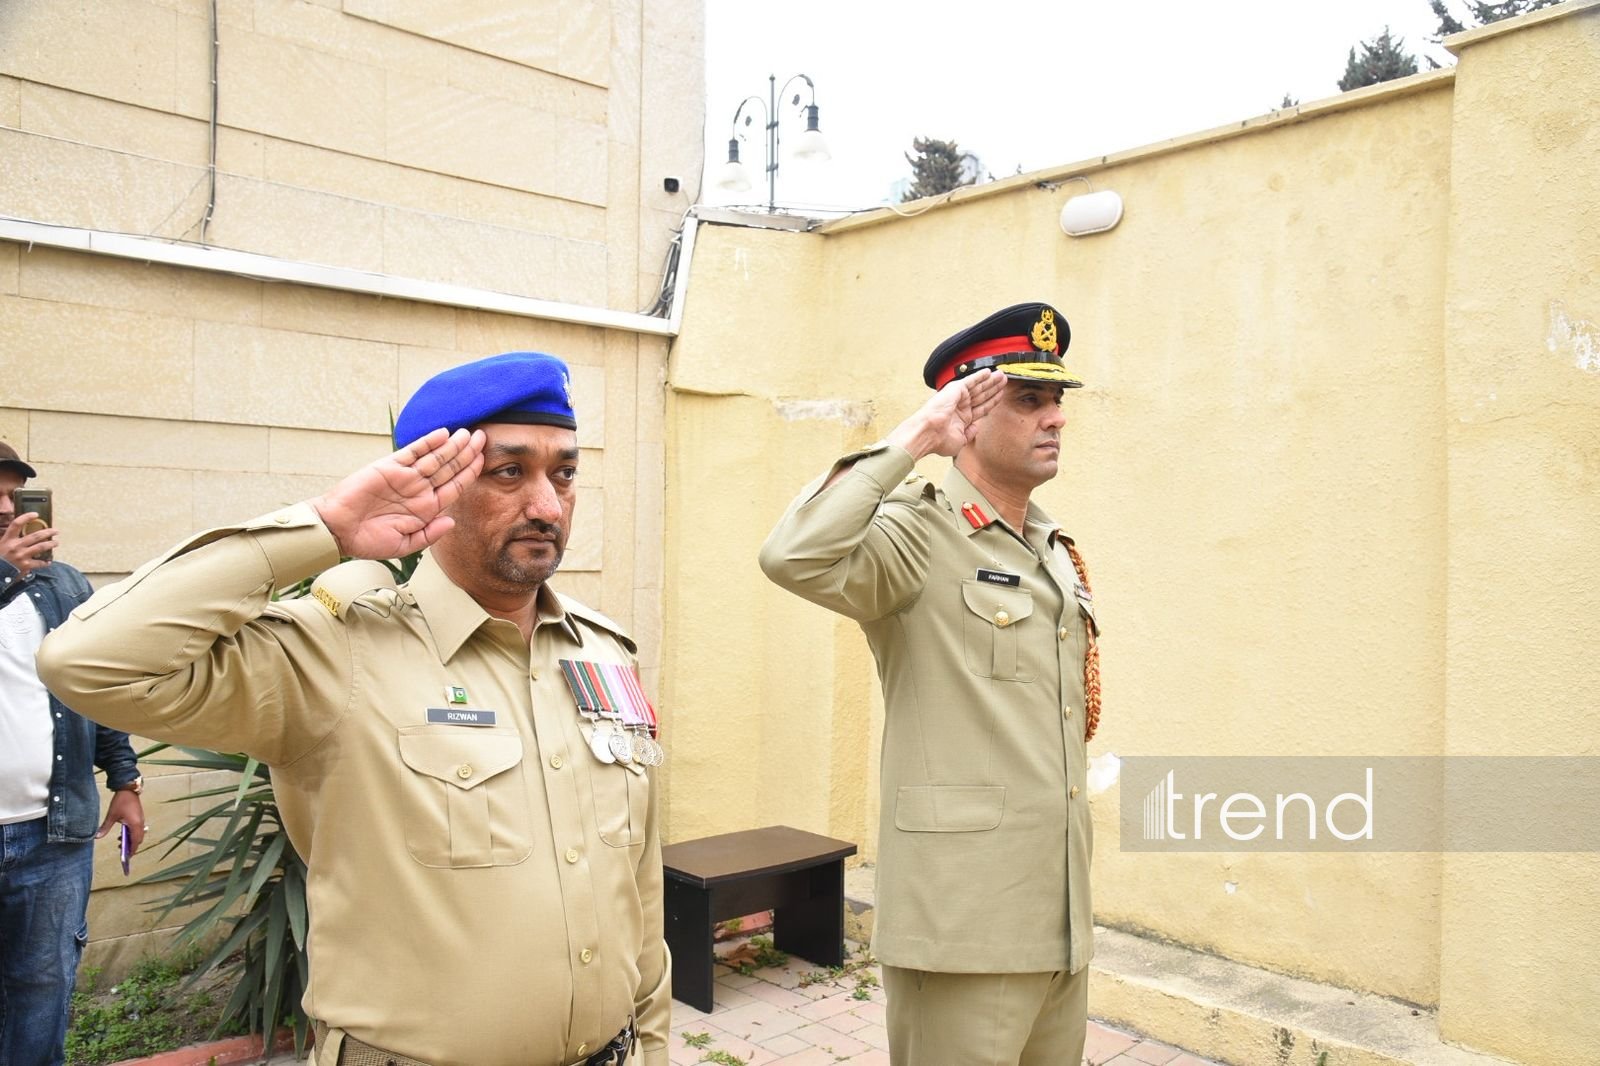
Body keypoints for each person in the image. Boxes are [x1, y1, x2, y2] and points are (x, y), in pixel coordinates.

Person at [37, 353, 670, 1066]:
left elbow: (638, 891)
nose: (549, 507)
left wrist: (650, 1044)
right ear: (434, 486)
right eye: (508, 472)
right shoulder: (336, 654)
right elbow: (86, 662)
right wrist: (325, 530)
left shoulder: (604, 657)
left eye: (565, 473)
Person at [759, 303, 1102, 1066]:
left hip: (1057, 920)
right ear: (967, 414)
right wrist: (914, 440)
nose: (1055, 419)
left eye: (1057, 401)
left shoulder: (1046, 546)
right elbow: (792, 555)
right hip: (962, 928)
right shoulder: (917, 531)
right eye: (1028, 400)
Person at [1, 440, 146, 1066]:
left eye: (13, 494)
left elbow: (96, 686)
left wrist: (126, 779)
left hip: (51, 836)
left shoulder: (63, 584)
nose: (6, 508)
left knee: (43, 987)